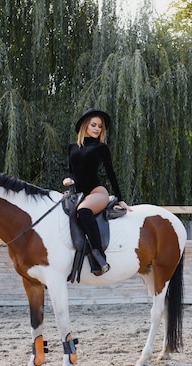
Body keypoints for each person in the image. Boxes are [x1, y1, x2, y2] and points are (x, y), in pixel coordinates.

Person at [63, 109, 130, 276]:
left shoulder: (101, 148)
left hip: (97, 192)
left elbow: (110, 174)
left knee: (84, 212)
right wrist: (68, 180)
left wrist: (120, 199)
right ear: (85, 126)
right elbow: (72, 172)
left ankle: (99, 255)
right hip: (78, 195)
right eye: (94, 125)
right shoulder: (72, 147)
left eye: (100, 126)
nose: (97, 129)